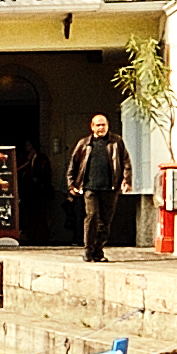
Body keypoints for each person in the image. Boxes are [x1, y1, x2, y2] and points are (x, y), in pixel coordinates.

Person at [66, 112, 131, 264]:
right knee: (92, 217)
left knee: (105, 222)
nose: (101, 128)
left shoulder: (116, 142)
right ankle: (88, 250)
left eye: (103, 125)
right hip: (90, 188)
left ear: (108, 126)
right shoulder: (84, 144)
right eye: (98, 125)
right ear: (92, 127)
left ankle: (98, 250)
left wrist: (126, 180)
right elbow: (73, 165)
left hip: (110, 187)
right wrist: (71, 184)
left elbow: (125, 162)